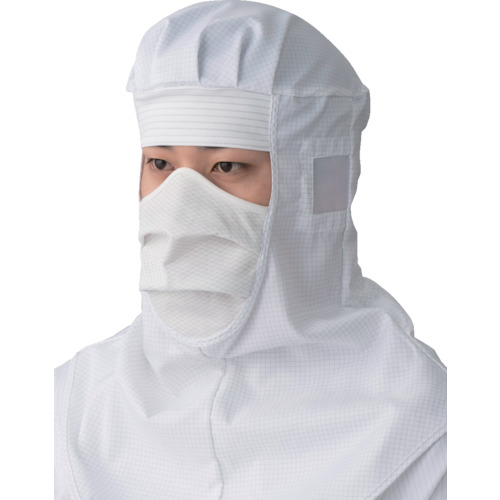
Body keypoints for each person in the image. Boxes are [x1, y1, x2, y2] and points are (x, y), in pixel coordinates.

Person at [54, 1, 447, 499]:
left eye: (226, 166)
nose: (179, 208)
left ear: (317, 190)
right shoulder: (74, 407)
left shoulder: (424, 433)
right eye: (160, 164)